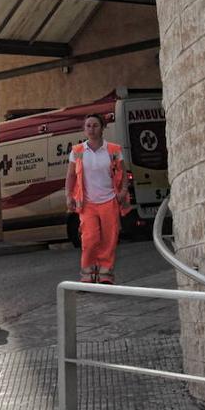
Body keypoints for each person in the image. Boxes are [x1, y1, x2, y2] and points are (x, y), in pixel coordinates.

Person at [66, 113, 129, 284]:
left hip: (109, 201)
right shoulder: (77, 151)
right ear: (84, 129)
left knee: (109, 238)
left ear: (102, 128)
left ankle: (105, 274)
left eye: (95, 125)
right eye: (88, 126)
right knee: (90, 238)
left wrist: (123, 190)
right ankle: (87, 273)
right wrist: (68, 196)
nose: (91, 129)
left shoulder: (113, 150)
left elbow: (123, 173)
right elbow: (71, 176)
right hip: (87, 203)